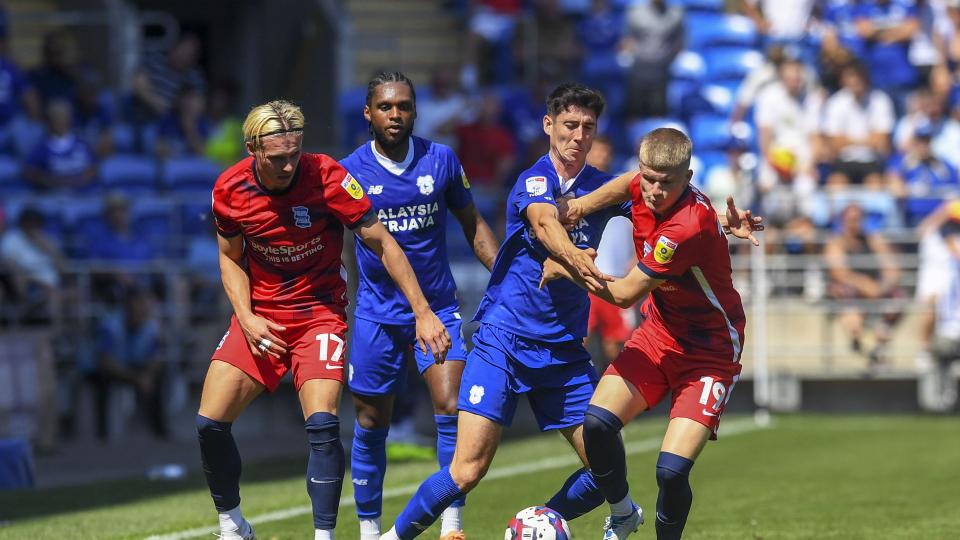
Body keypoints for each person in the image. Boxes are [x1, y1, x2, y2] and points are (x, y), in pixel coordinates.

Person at [380, 86, 760, 539]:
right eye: (569, 126)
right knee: (468, 468)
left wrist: (717, 225)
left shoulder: (610, 186)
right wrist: (575, 259)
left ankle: (578, 517)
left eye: (588, 128)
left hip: (562, 347)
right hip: (505, 337)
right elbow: (544, 222)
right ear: (548, 127)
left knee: (604, 463)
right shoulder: (534, 180)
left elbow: (676, 216)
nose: (578, 136)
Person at [197, 100, 451, 540]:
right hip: (262, 318)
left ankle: (324, 536)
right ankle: (232, 525)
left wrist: (423, 311)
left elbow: (384, 244)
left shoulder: (328, 176)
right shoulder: (230, 189)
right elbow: (229, 258)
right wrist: (247, 318)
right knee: (210, 424)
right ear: (252, 148)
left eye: (295, 153)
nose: (290, 165)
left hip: (318, 315)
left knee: (322, 425)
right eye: (278, 158)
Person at [546, 127, 755, 539]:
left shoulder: (685, 227)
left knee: (671, 472)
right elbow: (626, 183)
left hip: (709, 352)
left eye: (667, 182)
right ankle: (623, 513)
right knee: (598, 423)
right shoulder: (640, 183)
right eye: (649, 178)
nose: (655, 190)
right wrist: (576, 208)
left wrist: (569, 266)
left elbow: (623, 294)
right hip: (660, 333)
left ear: (689, 176)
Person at [339, 72, 499, 540]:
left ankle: (451, 524)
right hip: (376, 313)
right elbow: (341, 242)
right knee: (371, 422)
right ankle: (369, 531)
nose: (396, 115)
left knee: (451, 407)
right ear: (368, 113)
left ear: (415, 111)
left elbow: (473, 225)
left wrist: (507, 277)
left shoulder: (442, 160)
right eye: (386, 107)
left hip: (439, 308)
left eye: (404, 106)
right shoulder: (349, 171)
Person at [824, 203, 905, 368]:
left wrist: (881, 287)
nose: (855, 223)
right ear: (843, 220)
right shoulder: (836, 242)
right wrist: (867, 286)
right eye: (851, 219)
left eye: (858, 218)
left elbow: (893, 269)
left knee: (898, 296)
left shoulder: (874, 239)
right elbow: (839, 272)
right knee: (845, 296)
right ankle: (858, 339)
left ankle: (879, 340)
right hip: (852, 292)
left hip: (876, 291)